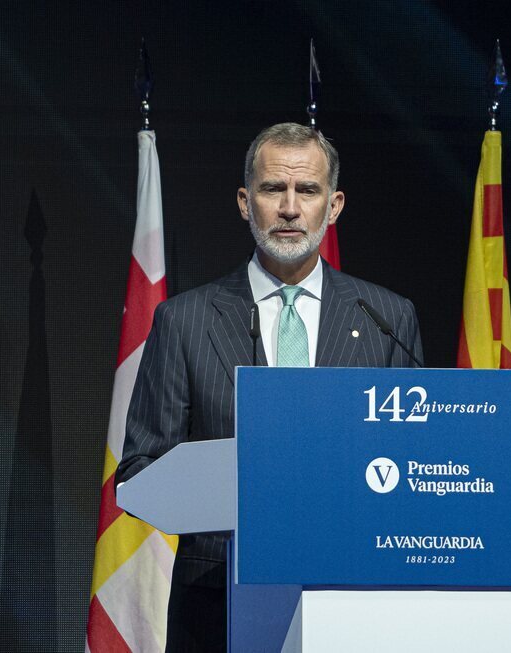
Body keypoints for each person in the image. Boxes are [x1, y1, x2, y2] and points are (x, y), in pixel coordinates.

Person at [115, 122, 423, 652]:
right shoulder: (185, 321)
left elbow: (413, 463)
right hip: (216, 607)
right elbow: (141, 469)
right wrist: (240, 484)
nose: (288, 208)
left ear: (335, 205)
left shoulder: (387, 319)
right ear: (243, 201)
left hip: (351, 601)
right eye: (271, 189)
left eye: (307, 190)